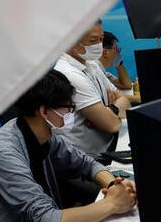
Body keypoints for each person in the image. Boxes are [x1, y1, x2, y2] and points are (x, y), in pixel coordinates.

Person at [0, 70, 137, 222]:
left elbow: (86, 163)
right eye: (69, 108)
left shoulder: (42, 134)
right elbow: (48, 221)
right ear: (44, 111)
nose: (71, 113)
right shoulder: (4, 155)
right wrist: (112, 203)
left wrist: (114, 185)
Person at [53, 21, 132, 159]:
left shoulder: (92, 65)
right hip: (87, 160)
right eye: (93, 40)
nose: (99, 46)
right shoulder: (70, 74)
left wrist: (109, 110)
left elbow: (125, 101)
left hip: (109, 145)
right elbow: (112, 125)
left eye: (101, 39)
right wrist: (112, 115)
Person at [99, 31, 141, 103]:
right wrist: (137, 98)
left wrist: (119, 63)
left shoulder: (104, 74)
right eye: (117, 49)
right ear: (106, 52)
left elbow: (126, 85)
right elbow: (108, 97)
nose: (118, 53)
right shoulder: (96, 73)